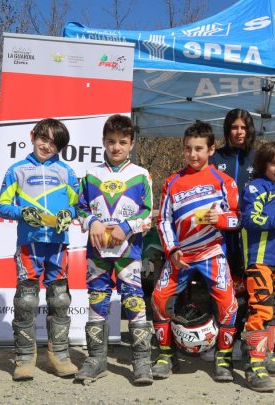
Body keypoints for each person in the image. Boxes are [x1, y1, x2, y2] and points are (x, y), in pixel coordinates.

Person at [151, 122, 240, 382]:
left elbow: (238, 219)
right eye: (188, 149)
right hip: (181, 255)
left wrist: (221, 220)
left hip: (212, 252)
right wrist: (172, 249)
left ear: (211, 149)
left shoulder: (224, 181)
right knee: (158, 299)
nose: (193, 154)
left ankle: (223, 358)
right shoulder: (172, 181)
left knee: (228, 304)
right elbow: (163, 221)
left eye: (199, 149)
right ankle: (165, 355)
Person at [0, 118, 79, 381]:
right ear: (33, 136)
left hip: (57, 244)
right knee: (27, 300)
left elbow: (78, 206)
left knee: (60, 299)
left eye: (53, 143)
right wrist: (22, 212)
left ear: (60, 148)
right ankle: (24, 358)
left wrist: (69, 213)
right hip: (29, 244)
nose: (46, 146)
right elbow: (2, 206)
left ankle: (60, 356)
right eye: (43, 139)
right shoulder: (16, 170)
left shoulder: (66, 172)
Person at [75, 115, 154, 385]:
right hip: (98, 251)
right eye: (111, 141)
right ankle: (96, 359)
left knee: (133, 300)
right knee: (97, 299)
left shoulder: (141, 174)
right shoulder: (90, 174)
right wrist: (92, 221)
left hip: (128, 250)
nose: (116, 147)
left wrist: (127, 227)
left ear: (131, 144)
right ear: (103, 143)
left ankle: (142, 361)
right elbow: (79, 207)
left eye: (122, 142)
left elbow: (147, 213)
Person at [239, 142, 275, 392]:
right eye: (273, 163)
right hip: (260, 260)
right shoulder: (254, 187)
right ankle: (254, 366)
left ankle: (266, 356)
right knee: (260, 310)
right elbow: (249, 218)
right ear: (263, 163)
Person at [209, 109, 257, 349]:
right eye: (234, 127)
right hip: (220, 234)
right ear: (227, 129)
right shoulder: (216, 158)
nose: (239, 132)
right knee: (221, 285)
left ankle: (237, 339)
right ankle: (217, 338)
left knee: (245, 287)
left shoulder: (257, 158)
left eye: (244, 127)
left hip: (248, 234)